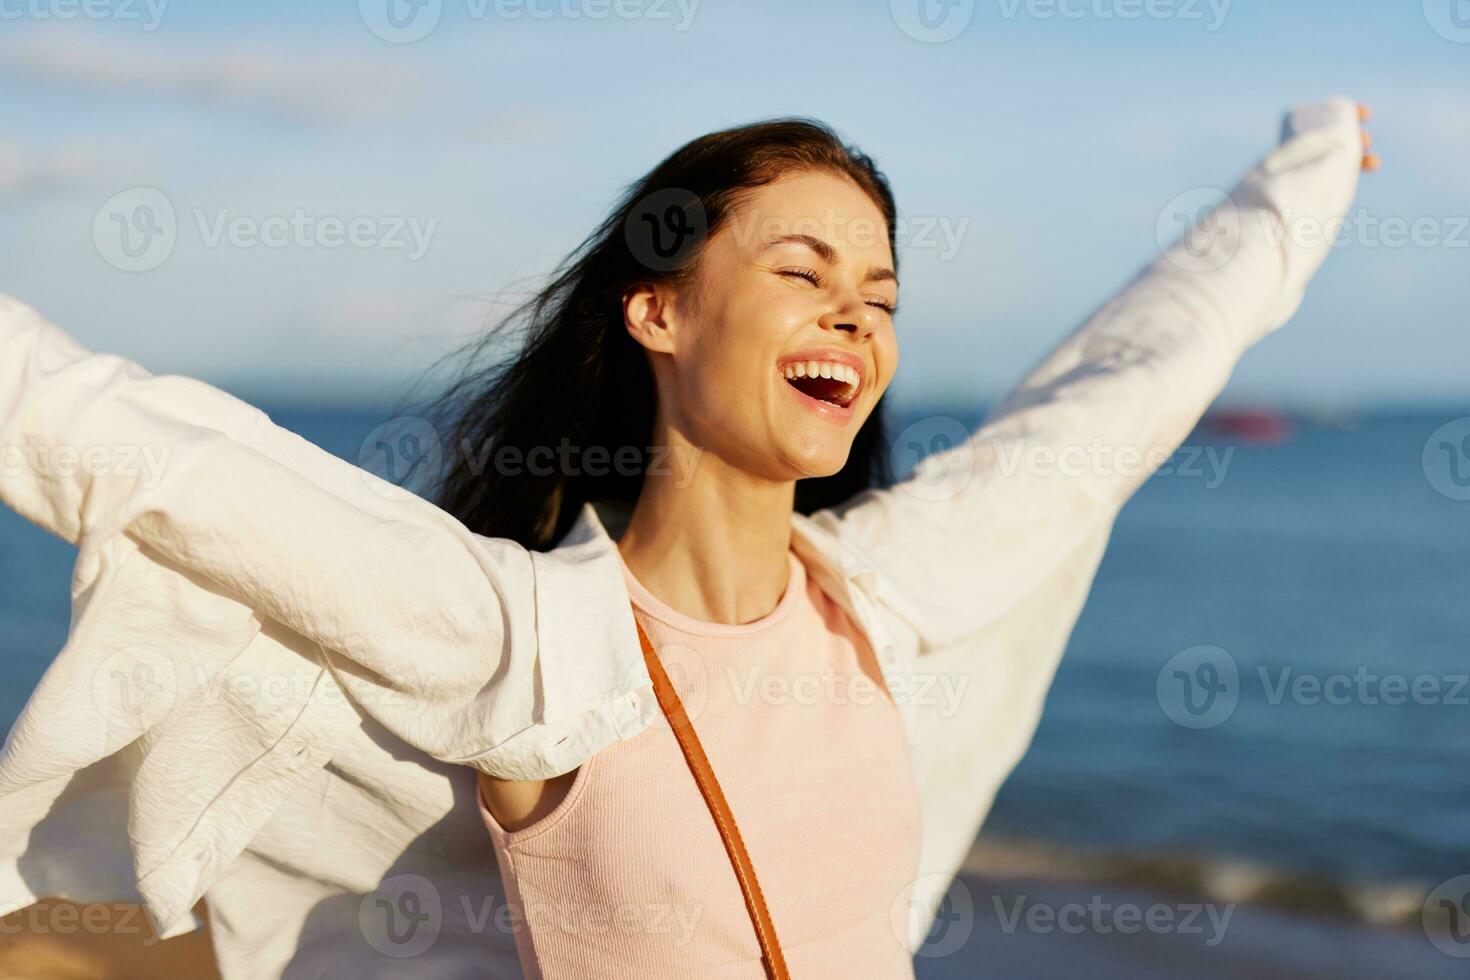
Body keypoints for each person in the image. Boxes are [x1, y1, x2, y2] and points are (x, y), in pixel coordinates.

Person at [0, 97, 1376, 978]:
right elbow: (127, 445)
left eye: (878, 295)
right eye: (801, 273)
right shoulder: (522, 645)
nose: (853, 316)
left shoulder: (879, 600)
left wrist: (1300, 184)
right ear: (656, 314)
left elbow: (1120, 393)